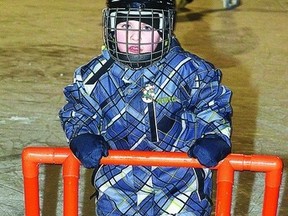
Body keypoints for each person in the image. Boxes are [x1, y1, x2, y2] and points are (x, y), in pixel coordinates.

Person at [59, 0, 233, 215]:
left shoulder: (191, 70)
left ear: (164, 30)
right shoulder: (94, 74)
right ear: (111, 28)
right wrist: (81, 135)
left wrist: (214, 138)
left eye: (146, 28)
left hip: (180, 186)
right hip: (118, 185)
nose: (135, 37)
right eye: (126, 27)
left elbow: (212, 105)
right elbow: (80, 109)